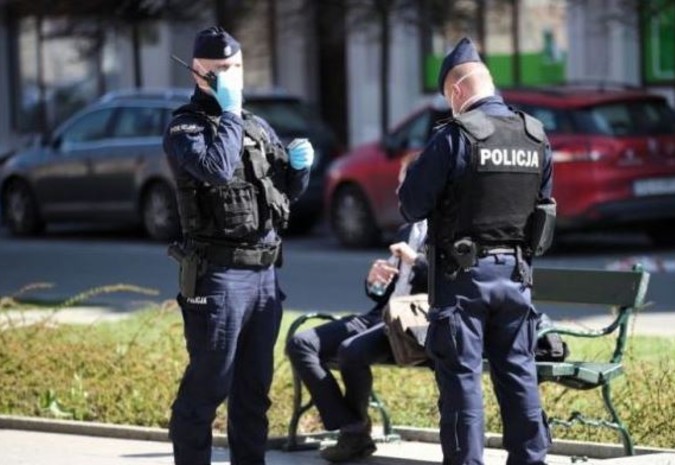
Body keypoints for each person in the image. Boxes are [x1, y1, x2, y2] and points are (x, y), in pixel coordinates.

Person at [397, 37, 554, 465]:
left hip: (463, 280)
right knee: (519, 373)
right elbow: (544, 208)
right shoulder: (534, 134)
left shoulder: (455, 137)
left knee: (462, 380)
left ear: (456, 91)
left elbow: (412, 205)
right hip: (516, 276)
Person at [162, 26, 313, 465]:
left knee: (253, 392)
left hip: (264, 276)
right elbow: (215, 168)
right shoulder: (187, 126)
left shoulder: (255, 125)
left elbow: (283, 193)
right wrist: (228, 111)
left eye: (237, 67)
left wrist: (299, 169)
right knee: (207, 387)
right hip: (219, 275)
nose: (232, 76)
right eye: (222, 69)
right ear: (198, 72)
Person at [286, 158, 428, 463]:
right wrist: (375, 280)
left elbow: (450, 281)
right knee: (301, 343)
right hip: (380, 316)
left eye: (404, 184)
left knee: (351, 350)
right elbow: (383, 290)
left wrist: (416, 261)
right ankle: (353, 426)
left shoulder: (446, 230)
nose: (399, 191)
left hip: (411, 323)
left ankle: (353, 438)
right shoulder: (406, 230)